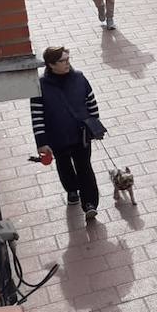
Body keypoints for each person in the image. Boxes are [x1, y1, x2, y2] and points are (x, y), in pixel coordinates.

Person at [29, 46, 102, 221]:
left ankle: (90, 204)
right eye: (63, 60)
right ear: (51, 64)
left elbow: (91, 103)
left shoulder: (79, 78)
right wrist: (41, 141)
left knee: (84, 167)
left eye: (68, 59)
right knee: (64, 165)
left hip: (81, 134)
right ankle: (71, 190)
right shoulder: (40, 86)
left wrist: (95, 127)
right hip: (57, 136)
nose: (67, 63)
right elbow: (37, 116)